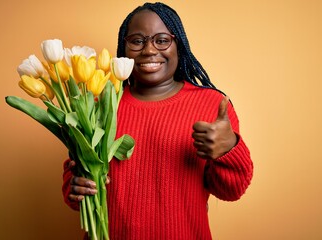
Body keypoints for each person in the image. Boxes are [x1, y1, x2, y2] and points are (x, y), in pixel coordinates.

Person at [62, 2, 253, 239]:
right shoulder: (101, 105)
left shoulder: (212, 105)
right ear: (123, 48)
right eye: (137, 41)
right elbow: (76, 177)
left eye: (162, 40)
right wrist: (74, 187)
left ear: (179, 46)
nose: (149, 50)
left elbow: (232, 191)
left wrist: (229, 149)